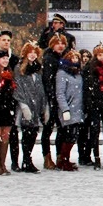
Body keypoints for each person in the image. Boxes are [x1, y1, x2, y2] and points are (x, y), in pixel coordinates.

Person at [13, 42, 46, 173]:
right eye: (30, 52)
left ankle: (27, 159)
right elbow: (18, 87)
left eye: (35, 53)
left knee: (33, 133)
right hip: (25, 105)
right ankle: (26, 160)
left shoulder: (38, 69)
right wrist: (23, 105)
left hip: (36, 105)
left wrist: (44, 105)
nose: (32, 55)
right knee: (27, 133)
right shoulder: (19, 68)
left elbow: (41, 88)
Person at [81, 44, 103, 169]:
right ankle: (97, 158)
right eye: (100, 55)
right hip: (94, 102)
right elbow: (86, 88)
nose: (102, 57)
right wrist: (88, 103)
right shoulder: (89, 68)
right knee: (94, 132)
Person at [40, 33, 68, 169]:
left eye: (62, 43)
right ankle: (47, 157)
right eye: (58, 43)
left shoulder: (65, 58)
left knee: (62, 129)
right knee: (48, 129)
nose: (60, 46)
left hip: (61, 98)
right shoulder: (49, 58)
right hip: (52, 98)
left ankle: (60, 156)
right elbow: (47, 80)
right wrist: (52, 96)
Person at [54, 50, 84, 171]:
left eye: (77, 58)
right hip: (68, 108)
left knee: (73, 136)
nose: (75, 60)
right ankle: (63, 159)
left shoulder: (78, 73)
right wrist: (64, 109)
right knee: (67, 135)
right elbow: (60, 93)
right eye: (72, 58)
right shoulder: (62, 73)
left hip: (78, 108)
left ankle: (66, 158)